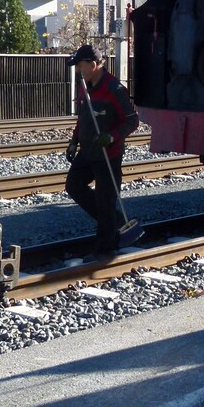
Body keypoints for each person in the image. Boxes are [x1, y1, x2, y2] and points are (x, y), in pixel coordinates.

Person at [64, 44, 142, 252]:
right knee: (74, 185)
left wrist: (111, 137)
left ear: (93, 65)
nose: (78, 70)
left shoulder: (114, 89)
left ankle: (105, 248)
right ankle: (114, 220)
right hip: (88, 151)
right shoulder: (85, 87)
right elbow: (84, 118)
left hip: (108, 154)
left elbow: (132, 121)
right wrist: (74, 141)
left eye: (80, 66)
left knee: (105, 199)